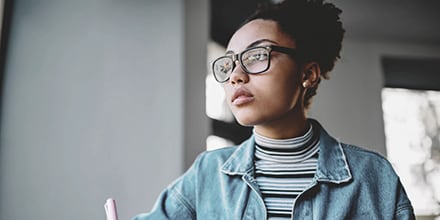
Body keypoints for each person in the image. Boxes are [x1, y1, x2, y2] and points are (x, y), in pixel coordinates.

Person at [134, 0, 415, 219]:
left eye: (257, 56)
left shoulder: (373, 177)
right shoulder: (207, 174)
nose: (235, 75)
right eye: (228, 64)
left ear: (307, 74)